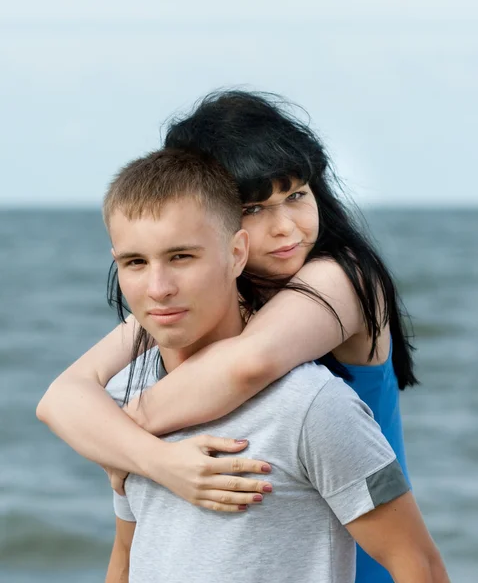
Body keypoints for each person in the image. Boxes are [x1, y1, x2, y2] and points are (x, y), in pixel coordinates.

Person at [38, 91, 417, 582]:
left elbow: (247, 364)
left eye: (298, 196)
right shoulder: (203, 295)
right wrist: (147, 457)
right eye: (255, 208)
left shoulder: (341, 277)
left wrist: (126, 438)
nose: (286, 228)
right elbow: (62, 396)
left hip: (371, 562)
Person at [101, 147, 447, 583]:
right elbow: (128, 555)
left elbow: (422, 567)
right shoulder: (126, 394)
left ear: (236, 253)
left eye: (182, 257)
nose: (158, 288)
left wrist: (128, 439)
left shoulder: (311, 404)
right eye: (135, 262)